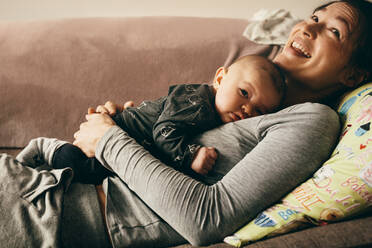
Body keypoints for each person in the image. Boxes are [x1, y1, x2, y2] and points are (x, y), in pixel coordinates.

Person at [1, 1, 371, 247]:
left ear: (354, 74)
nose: (308, 28)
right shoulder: (240, 89)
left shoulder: (311, 121)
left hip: (51, 214)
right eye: (315, 18)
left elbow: (205, 218)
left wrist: (110, 141)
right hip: (36, 181)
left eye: (334, 31)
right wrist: (127, 125)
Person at [19, 55, 286, 184]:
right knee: (81, 171)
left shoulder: (210, 109)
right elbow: (164, 131)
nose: (248, 109)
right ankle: (48, 151)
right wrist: (191, 154)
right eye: (243, 93)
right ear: (219, 78)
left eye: (260, 110)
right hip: (118, 136)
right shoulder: (199, 104)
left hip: (124, 144)